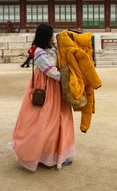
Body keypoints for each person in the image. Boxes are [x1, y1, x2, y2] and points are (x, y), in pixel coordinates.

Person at [9, 24, 75, 171]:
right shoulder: (39, 52)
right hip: (46, 88)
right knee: (45, 121)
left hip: (56, 89)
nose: (53, 38)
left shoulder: (52, 49)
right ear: (45, 36)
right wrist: (68, 79)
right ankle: (40, 155)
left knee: (60, 119)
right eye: (51, 35)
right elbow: (50, 71)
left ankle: (57, 154)